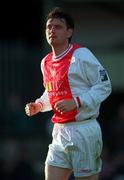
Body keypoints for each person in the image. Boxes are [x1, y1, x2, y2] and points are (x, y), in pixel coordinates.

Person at [25, 7, 112, 180]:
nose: (52, 30)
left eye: (58, 27)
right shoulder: (46, 62)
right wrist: (39, 105)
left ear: (69, 32)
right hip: (59, 132)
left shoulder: (81, 55)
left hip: (84, 130)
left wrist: (77, 101)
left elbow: (105, 85)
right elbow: (51, 93)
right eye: (49, 26)